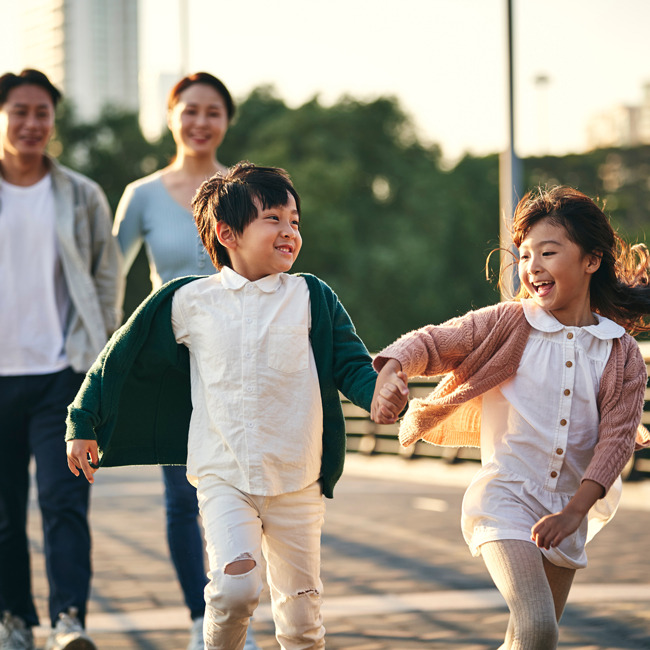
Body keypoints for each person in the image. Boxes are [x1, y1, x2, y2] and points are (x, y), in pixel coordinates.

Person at [66, 163, 406, 650]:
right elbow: (119, 356)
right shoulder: (189, 301)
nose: (289, 231)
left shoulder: (312, 296)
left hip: (298, 479)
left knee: (302, 619)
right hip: (224, 477)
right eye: (273, 218)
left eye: (295, 221)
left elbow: (351, 365)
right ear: (227, 233)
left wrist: (379, 393)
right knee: (233, 590)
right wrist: (83, 420)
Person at [371, 185, 650, 650]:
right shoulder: (510, 323)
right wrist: (394, 369)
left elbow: (617, 440)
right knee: (540, 628)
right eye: (524, 255)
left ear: (591, 260)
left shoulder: (620, 353)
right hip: (506, 497)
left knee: (527, 641)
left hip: (569, 506)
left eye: (548, 252)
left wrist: (574, 511)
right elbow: (434, 341)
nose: (532, 266)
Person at [112, 71, 240, 650]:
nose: (200, 121)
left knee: (243, 489)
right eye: (190, 110)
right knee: (180, 498)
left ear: (226, 121)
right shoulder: (141, 194)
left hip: (241, 357)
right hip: (171, 361)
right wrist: (113, 359)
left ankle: (237, 614)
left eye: (212, 111)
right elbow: (108, 279)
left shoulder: (246, 188)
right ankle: (201, 620)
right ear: (171, 117)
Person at [0, 70, 123, 650]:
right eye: (19, 111)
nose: (31, 124)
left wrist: (97, 362)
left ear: (53, 120)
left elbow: (106, 278)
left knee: (64, 502)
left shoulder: (81, 194)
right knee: (2, 514)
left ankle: (68, 621)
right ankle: (14, 621)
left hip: (63, 376)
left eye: (42, 113)